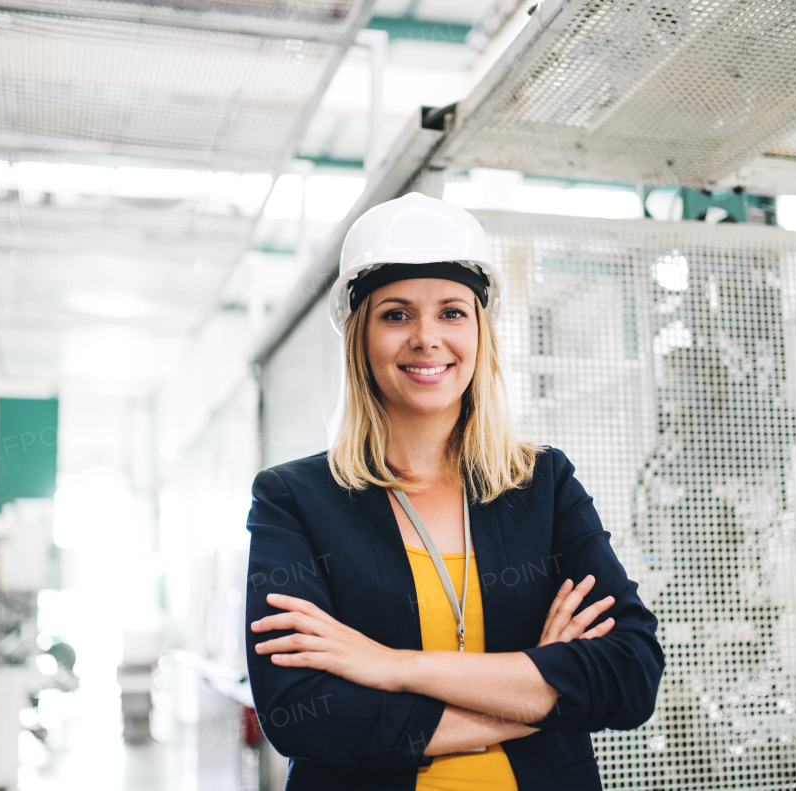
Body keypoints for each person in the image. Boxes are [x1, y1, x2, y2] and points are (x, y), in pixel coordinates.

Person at [245, 193, 663, 790]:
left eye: (451, 312)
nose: (426, 338)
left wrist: (389, 667)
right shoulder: (295, 499)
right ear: (360, 337)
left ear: (479, 333)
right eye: (396, 314)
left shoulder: (542, 484)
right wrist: (538, 695)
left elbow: (630, 675)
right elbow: (303, 716)